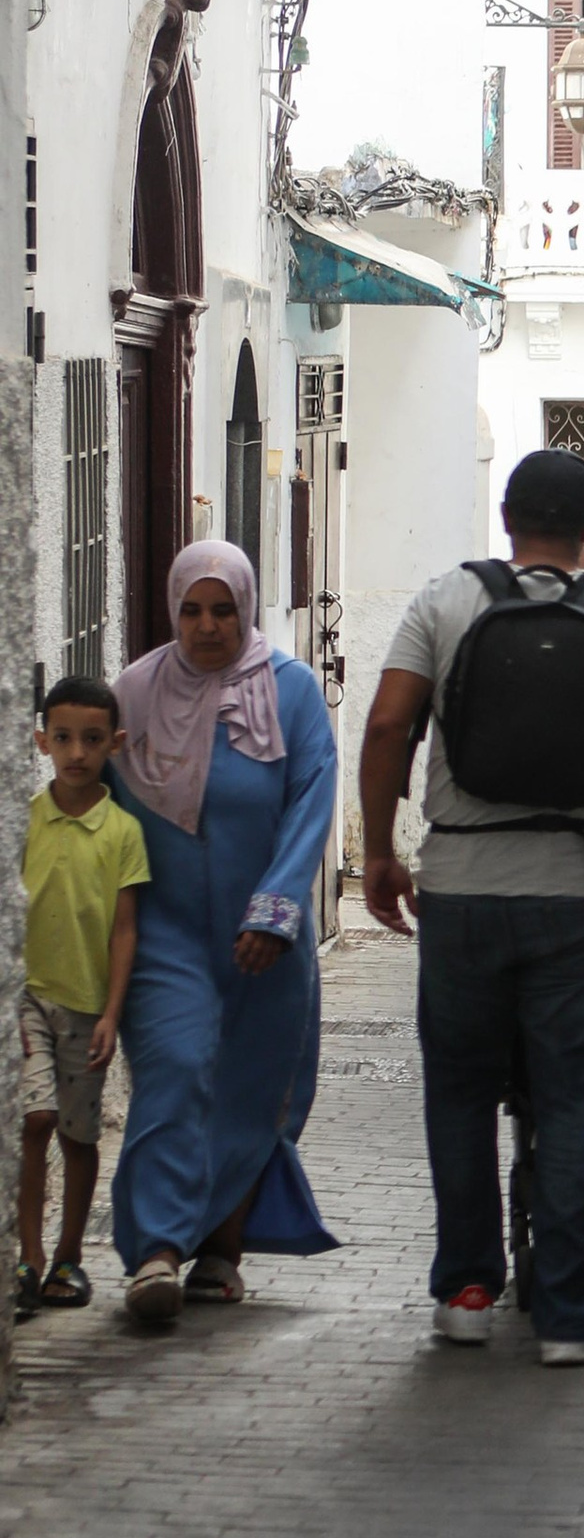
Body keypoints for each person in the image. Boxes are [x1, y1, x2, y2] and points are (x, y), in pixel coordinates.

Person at [357, 446, 584, 1365]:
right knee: (575, 1098)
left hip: (462, 887)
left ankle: (466, 1290)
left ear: (505, 516)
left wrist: (379, 850)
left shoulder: (445, 602)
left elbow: (385, 727)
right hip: (582, 886)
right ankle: (569, 1318)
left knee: (458, 1091)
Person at [108, 541, 339, 1326]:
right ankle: (156, 1252)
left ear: (247, 607)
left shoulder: (293, 692)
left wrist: (276, 910)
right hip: (164, 930)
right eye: (192, 610)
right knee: (174, 1067)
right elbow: (96, 805)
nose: (207, 627)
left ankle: (221, 1250)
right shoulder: (134, 694)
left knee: (249, 1090)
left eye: (224, 610)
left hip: (263, 939)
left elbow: (312, 803)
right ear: (173, 609)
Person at [17, 674, 150, 1317]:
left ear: (114, 744)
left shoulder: (122, 831)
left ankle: (68, 1256)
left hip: (87, 1006)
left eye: (91, 740)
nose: (76, 752)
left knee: (77, 1134)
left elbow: (125, 928)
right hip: (28, 999)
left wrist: (112, 1013)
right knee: (33, 1119)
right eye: (63, 738)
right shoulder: (24, 821)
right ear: (41, 740)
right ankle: (27, 1256)